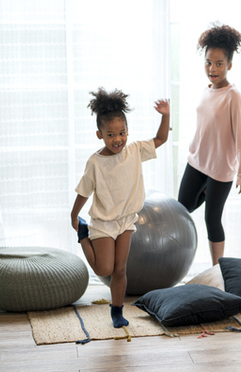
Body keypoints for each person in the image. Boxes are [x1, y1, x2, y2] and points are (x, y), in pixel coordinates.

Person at [70, 88, 170, 328]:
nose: (118, 139)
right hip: (103, 223)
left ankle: (117, 310)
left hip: (126, 221)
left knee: (120, 269)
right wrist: (74, 216)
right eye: (111, 134)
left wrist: (165, 116)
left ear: (128, 131)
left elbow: (161, 140)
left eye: (122, 133)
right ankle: (83, 236)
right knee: (104, 267)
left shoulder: (134, 151)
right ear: (100, 135)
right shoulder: (95, 162)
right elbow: (84, 191)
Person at [178, 24, 241, 266]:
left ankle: (216, 270)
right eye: (209, 62)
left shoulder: (234, 97)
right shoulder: (206, 91)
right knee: (181, 209)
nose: (213, 68)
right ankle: (205, 190)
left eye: (219, 63)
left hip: (220, 171)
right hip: (197, 162)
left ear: (229, 64)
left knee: (212, 219)